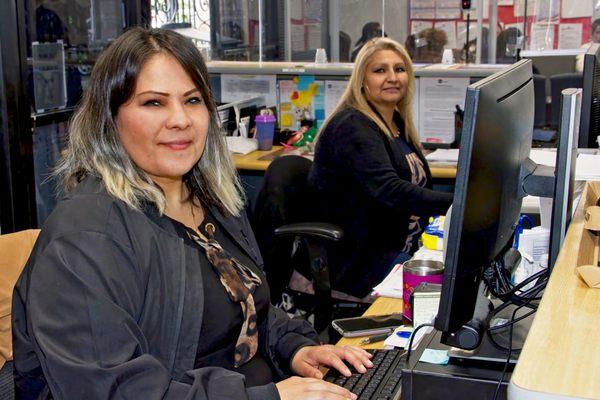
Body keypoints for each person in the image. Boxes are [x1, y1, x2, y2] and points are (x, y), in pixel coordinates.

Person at [12, 27, 373, 400]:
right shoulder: (86, 237)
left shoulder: (211, 201)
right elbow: (113, 391)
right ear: (110, 117)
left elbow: (248, 307)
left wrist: (296, 349)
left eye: (193, 100)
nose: (180, 119)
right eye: (154, 102)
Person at [308, 37, 454, 298]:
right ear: (362, 80)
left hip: (404, 244)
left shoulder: (396, 123)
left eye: (399, 69)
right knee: (447, 293)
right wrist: (460, 203)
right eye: (380, 70)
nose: (392, 77)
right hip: (362, 257)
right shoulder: (354, 126)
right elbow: (390, 190)